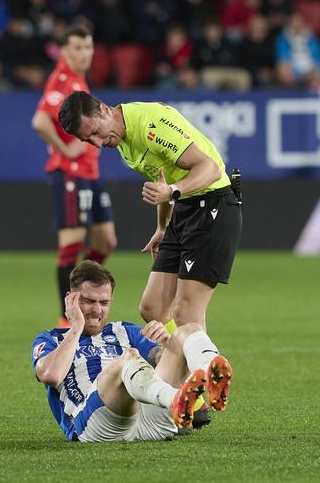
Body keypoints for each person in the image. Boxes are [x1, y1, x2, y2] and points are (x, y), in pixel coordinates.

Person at [57, 90, 241, 414]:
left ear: (104, 109)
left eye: (97, 133)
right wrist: (162, 226)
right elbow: (162, 183)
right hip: (183, 210)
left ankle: (204, 384)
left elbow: (210, 169)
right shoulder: (124, 141)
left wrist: (172, 192)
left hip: (213, 206)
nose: (99, 144)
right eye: (90, 141)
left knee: (186, 313)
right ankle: (192, 387)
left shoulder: (150, 124)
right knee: (153, 307)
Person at [31, 261, 233, 442]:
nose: (97, 310)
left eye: (104, 303)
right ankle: (176, 400)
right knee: (128, 358)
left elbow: (161, 359)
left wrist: (167, 342)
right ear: (71, 300)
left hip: (149, 422)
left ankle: (211, 370)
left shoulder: (124, 331)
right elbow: (51, 375)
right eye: (88, 301)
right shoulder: (51, 339)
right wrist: (75, 326)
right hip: (96, 425)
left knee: (186, 331)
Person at [31, 26, 116, 328]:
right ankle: (66, 316)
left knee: (106, 241)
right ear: (65, 51)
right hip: (71, 173)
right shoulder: (62, 79)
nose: (84, 54)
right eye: (78, 48)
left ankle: (82, 290)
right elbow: (40, 120)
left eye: (88, 47)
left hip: (90, 173)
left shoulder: (79, 80)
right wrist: (65, 150)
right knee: (71, 243)